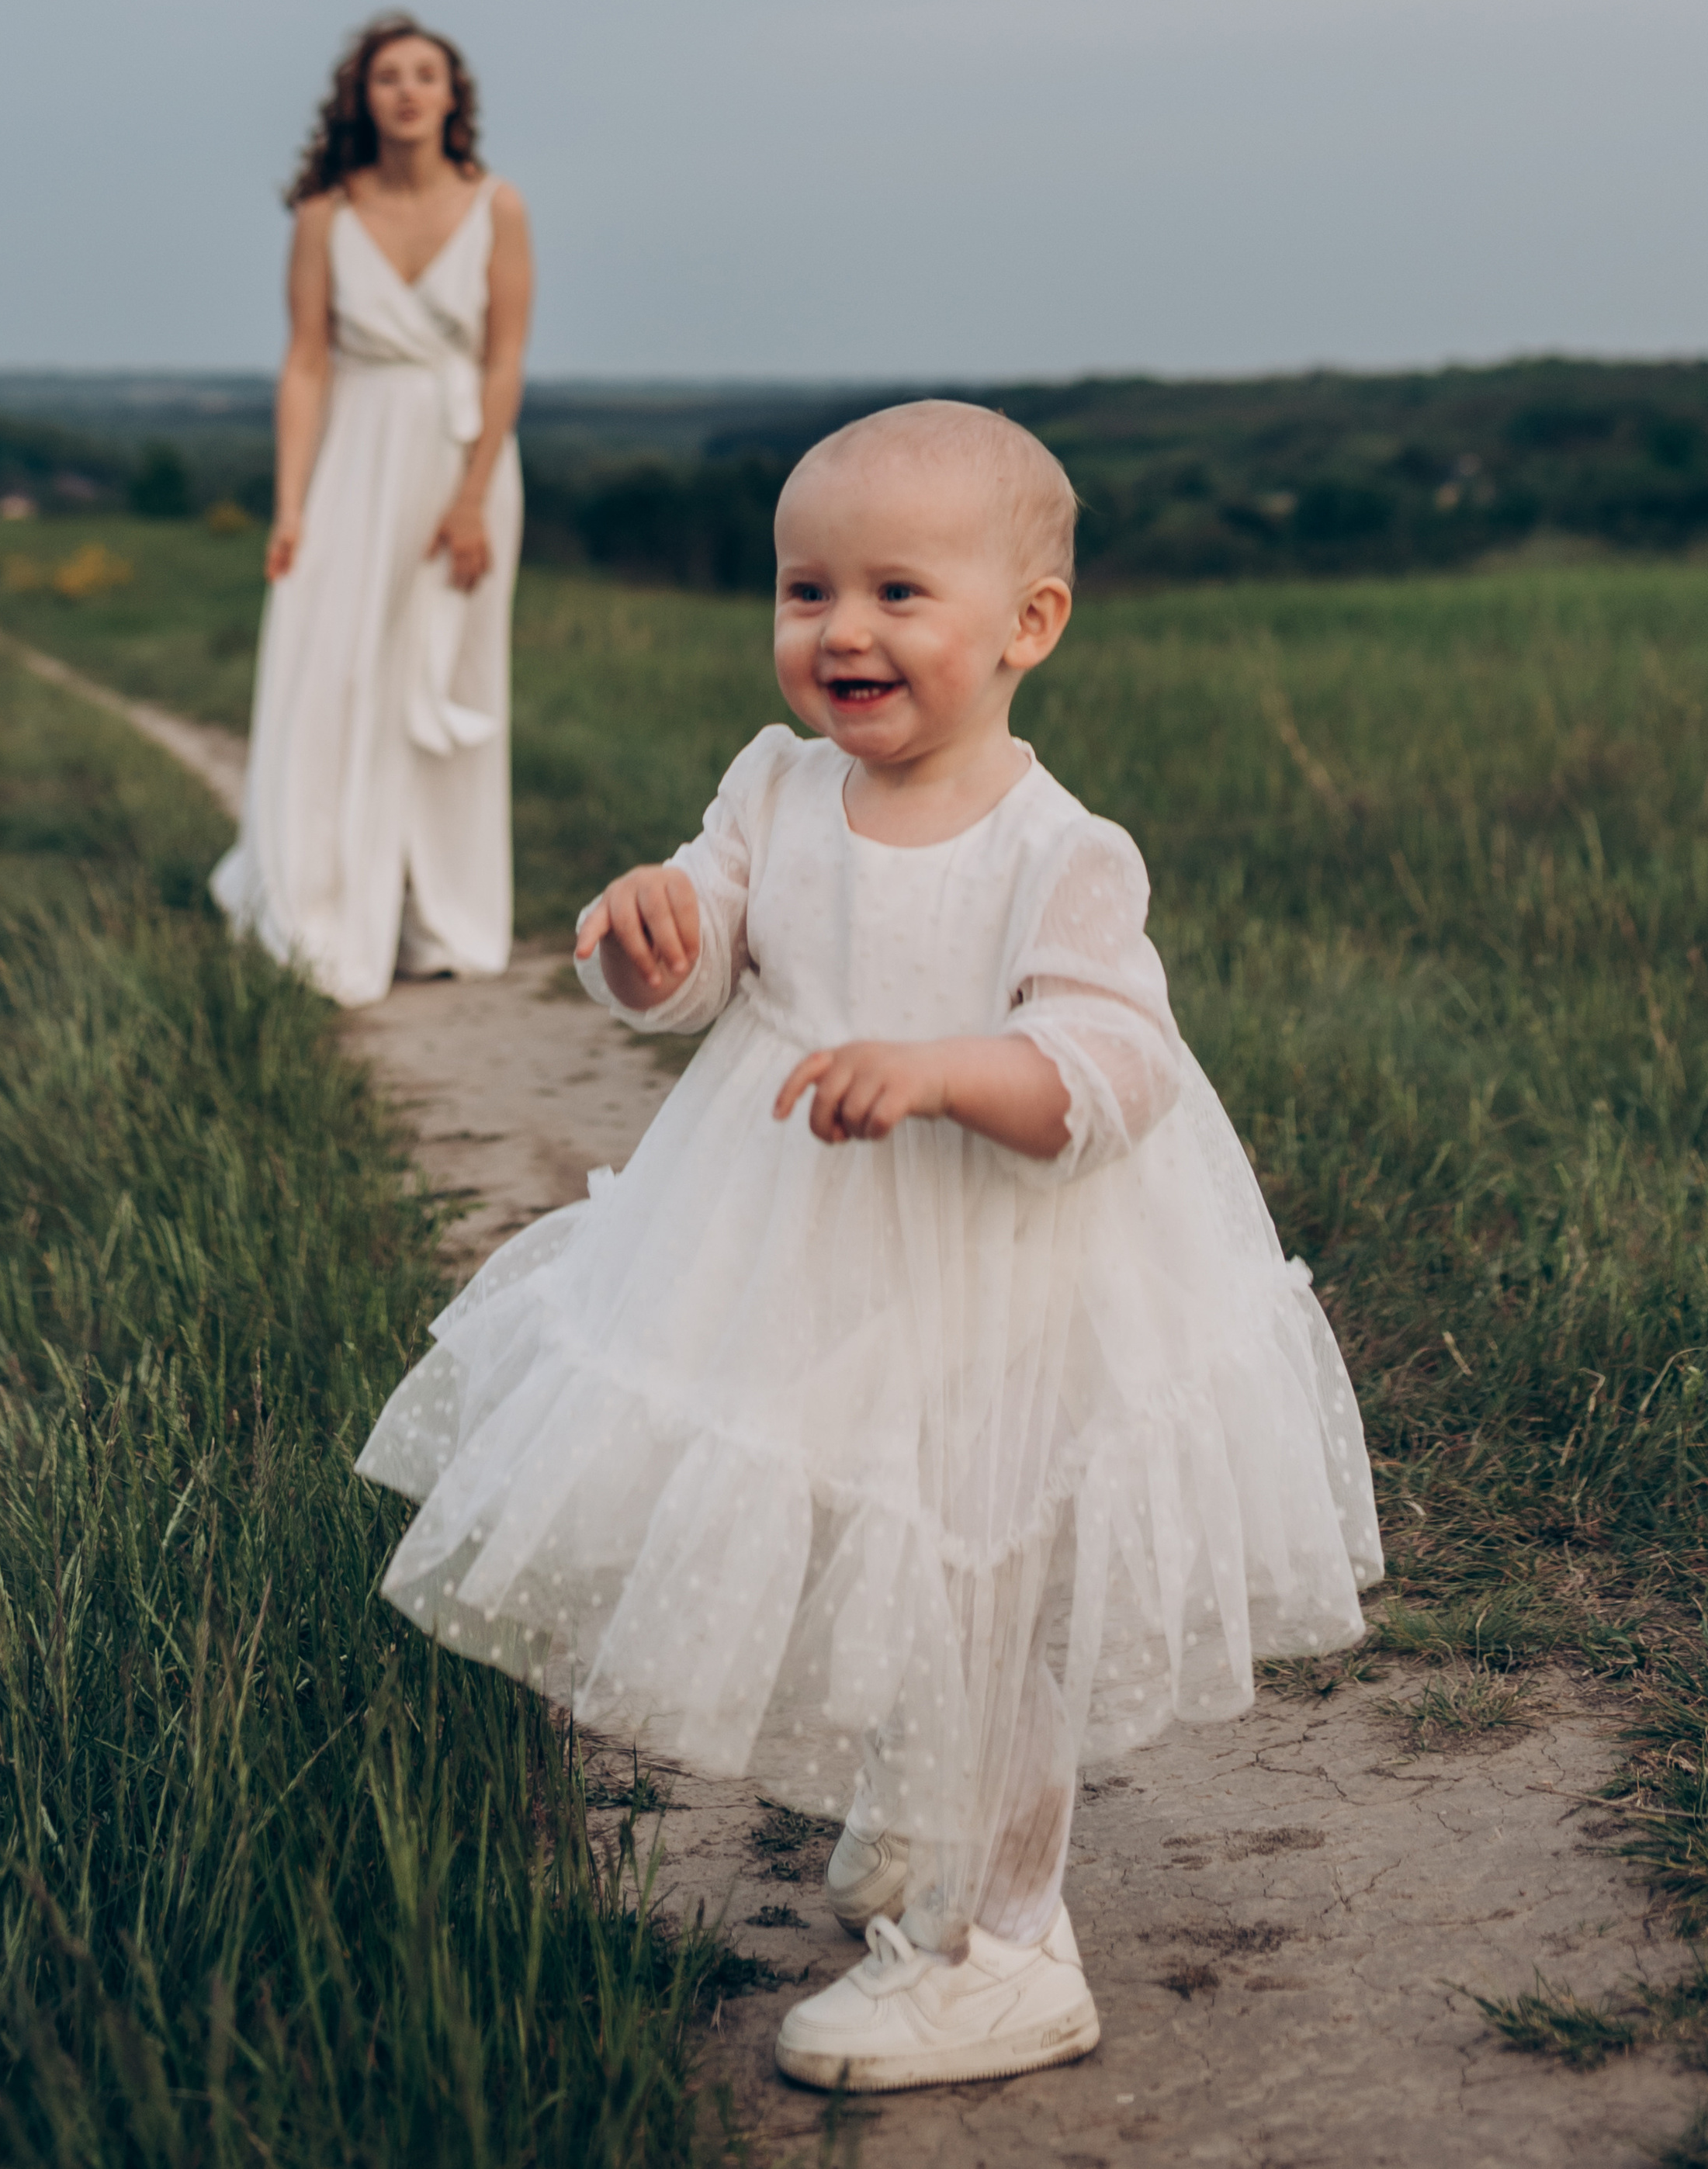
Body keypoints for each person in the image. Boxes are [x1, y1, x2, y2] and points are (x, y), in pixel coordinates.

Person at [355, 400, 1381, 2094]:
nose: (842, 629)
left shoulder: (1058, 852)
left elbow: (1111, 1071)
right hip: (811, 1252)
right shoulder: (775, 786)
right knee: (876, 1541)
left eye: (898, 592)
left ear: (1027, 625)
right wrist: (650, 939)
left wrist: (947, 1071)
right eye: (805, 590)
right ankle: (921, 1812)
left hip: (1004, 1269)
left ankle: (1002, 1952)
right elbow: (704, 959)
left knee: (985, 1588)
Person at [212, 14, 532, 1007]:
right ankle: (319, 896)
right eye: (387, 75)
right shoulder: (324, 215)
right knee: (333, 675)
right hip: (352, 462)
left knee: (444, 686)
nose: (406, 90)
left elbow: (504, 362)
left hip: (463, 465)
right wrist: (289, 505)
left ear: (451, 96)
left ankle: (438, 916)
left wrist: (472, 499)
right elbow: (306, 364)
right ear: (361, 97)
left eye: (425, 74)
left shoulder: (498, 207)